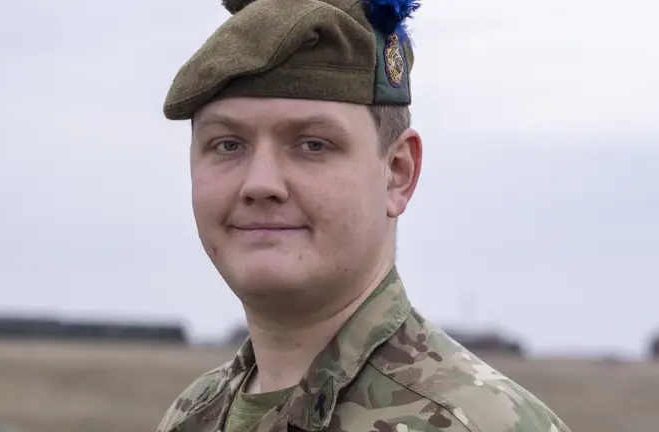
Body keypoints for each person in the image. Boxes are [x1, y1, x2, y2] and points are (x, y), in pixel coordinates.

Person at [156, 0, 572, 431]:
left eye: (312, 144)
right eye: (227, 144)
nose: (260, 183)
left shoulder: (480, 424)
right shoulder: (191, 415)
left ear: (397, 174)